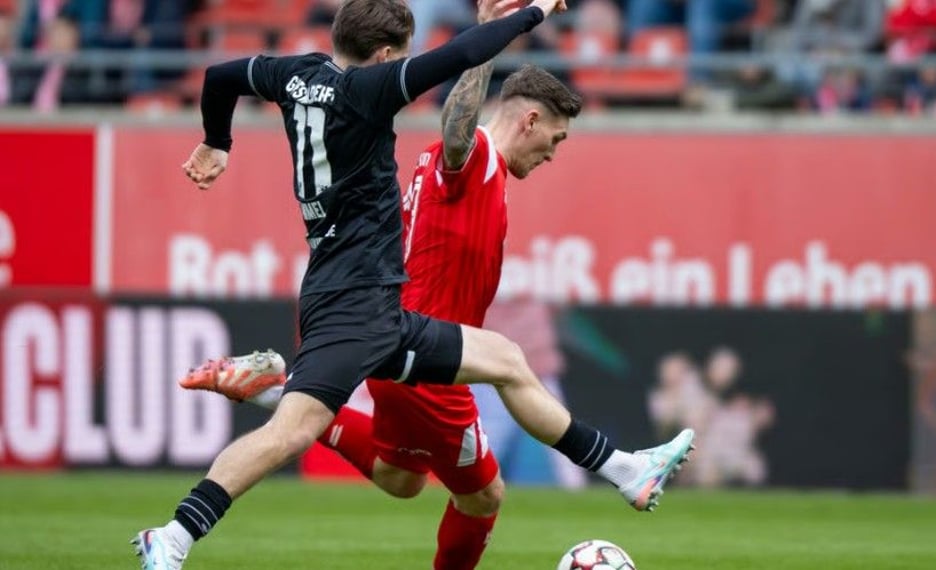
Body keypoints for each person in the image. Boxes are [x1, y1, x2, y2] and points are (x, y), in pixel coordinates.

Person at [133, 2, 695, 568]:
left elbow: (219, 76)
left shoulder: (295, 73)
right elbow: (460, 65)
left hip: (368, 302)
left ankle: (624, 468)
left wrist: (217, 140)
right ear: (382, 57)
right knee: (296, 437)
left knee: (472, 395)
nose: (554, 150)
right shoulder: (379, 100)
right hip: (360, 304)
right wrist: (533, 12)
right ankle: (176, 534)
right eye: (397, 58)